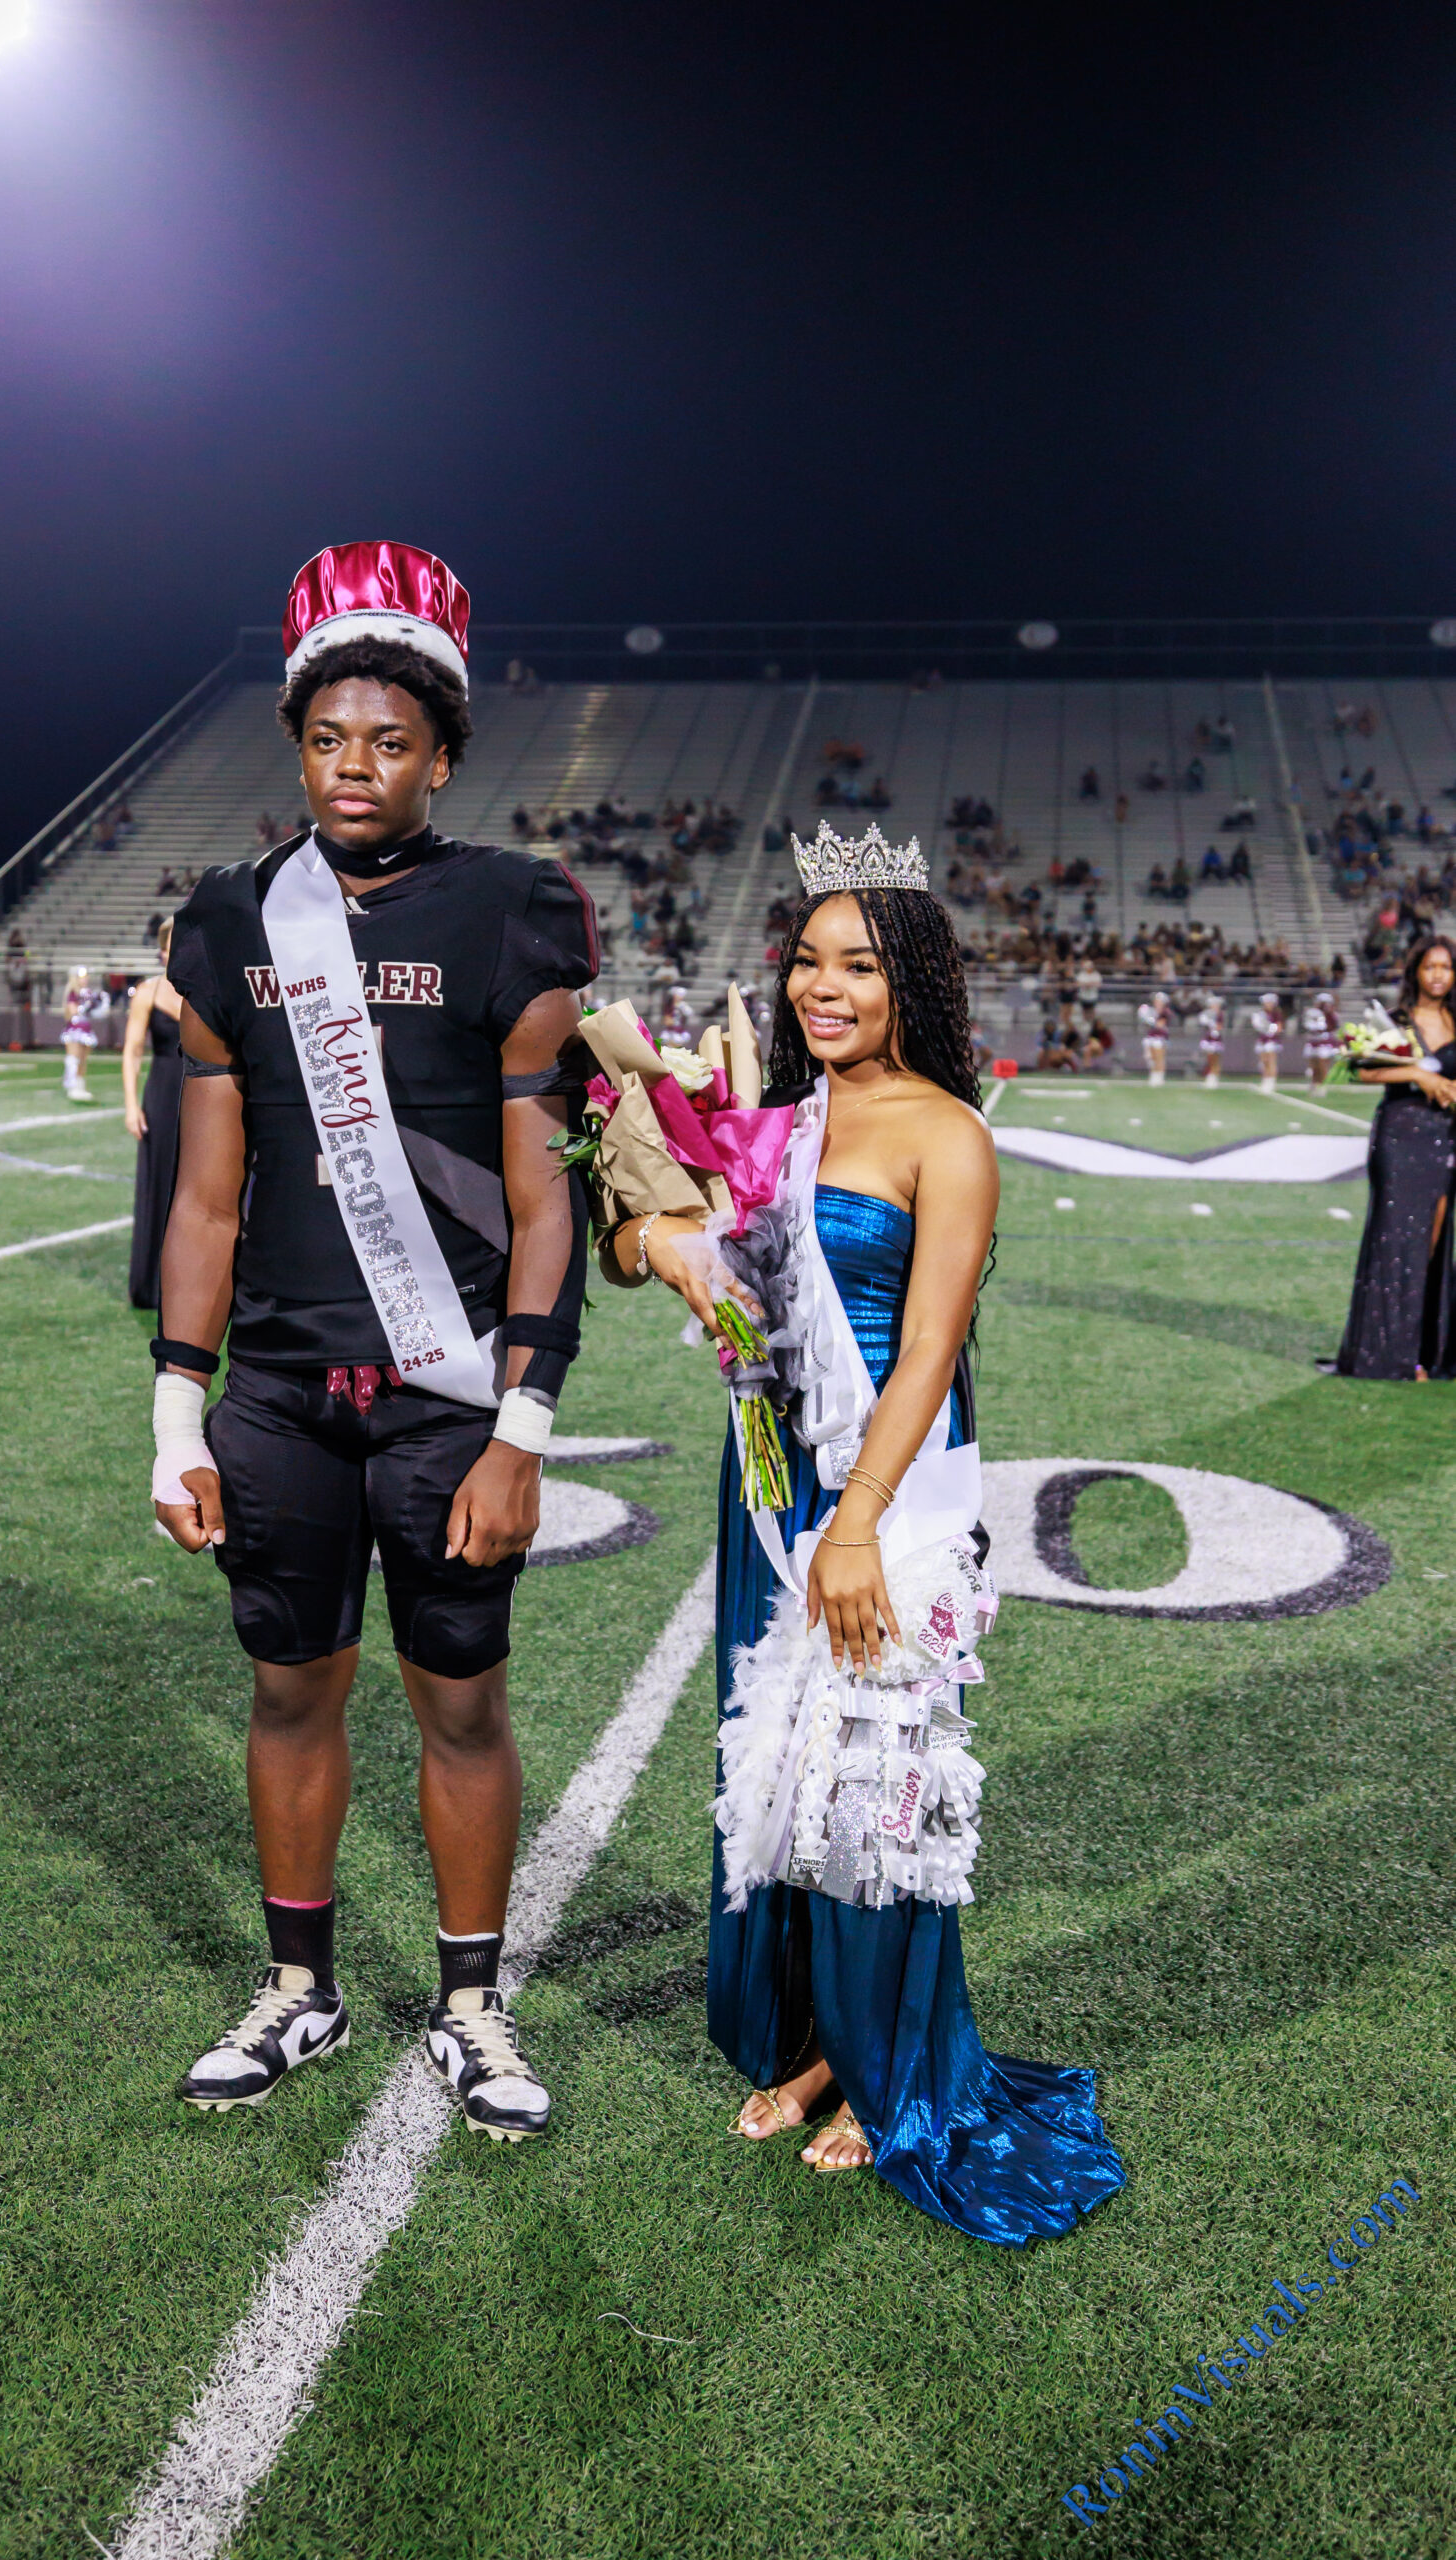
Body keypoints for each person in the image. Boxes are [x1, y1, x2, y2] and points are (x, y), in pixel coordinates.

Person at [608, 822, 1124, 2236]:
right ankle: (810, 2035)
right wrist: (650, 1233)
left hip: (884, 1498)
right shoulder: (776, 1122)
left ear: (910, 985)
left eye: (855, 966)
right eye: (802, 960)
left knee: (872, 1789)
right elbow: (707, 1272)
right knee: (772, 1766)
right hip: (769, 1481)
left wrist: (857, 1526)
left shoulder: (947, 1134)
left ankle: (895, 2070)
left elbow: (926, 1353)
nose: (818, 988)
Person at [152, 541, 596, 2137]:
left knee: (460, 1698)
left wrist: (522, 1424)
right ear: (296, 744)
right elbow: (205, 1202)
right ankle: (300, 1989)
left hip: (445, 1389)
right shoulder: (226, 919)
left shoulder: (512, 909)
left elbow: (546, 1203)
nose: (357, 766)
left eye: (390, 741)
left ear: (444, 754)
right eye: (330, 738)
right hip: (275, 1385)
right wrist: (173, 1415)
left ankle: (471, 2003)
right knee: (288, 1690)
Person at [1336, 938, 1456, 1381]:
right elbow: (1362, 1069)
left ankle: (1424, 1348)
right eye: (1430, 967)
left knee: (1432, 1243)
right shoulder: (1398, 1021)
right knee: (1397, 1241)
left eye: (1446, 967)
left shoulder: (1455, 1019)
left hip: (1446, 1138)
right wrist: (1415, 1074)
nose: (1438, 975)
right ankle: (1390, 1354)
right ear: (1416, 973)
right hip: (1401, 1136)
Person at [121, 922, 185, 1309]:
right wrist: (131, 1105)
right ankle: (152, 1285)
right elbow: (131, 1051)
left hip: (201, 1094)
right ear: (162, 951)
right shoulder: (147, 992)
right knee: (159, 1183)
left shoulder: (207, 988)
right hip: (161, 1093)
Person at [61, 968, 106, 1102]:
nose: (85, 979)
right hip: (75, 1029)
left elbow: (95, 1012)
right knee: (73, 1059)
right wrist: (87, 1005)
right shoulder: (73, 992)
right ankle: (72, 1087)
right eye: (82, 977)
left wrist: (101, 1003)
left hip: (86, 1029)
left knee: (83, 1060)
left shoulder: (88, 993)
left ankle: (80, 1087)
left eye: (86, 977)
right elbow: (73, 1011)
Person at [1302, 989, 1341, 1088]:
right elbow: (1307, 1025)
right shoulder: (1313, 1012)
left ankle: (1322, 1086)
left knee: (1322, 1065)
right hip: (1314, 1040)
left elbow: (1334, 1026)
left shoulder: (1331, 1014)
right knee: (1314, 1066)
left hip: (1325, 1041)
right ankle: (1315, 1084)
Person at [1251, 990, 1284, 1092]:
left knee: (1271, 1060)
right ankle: (1265, 1079)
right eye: (1266, 1002)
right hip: (1262, 1039)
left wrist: (1269, 1027)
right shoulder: (1260, 1014)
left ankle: (1272, 1081)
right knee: (1264, 1061)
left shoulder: (1277, 1013)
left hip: (1272, 1039)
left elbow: (1279, 1028)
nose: (1268, 1004)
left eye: (1270, 1002)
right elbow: (1257, 1026)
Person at [1138, 989, 1173, 1084]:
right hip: (1150, 1036)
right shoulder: (1152, 1011)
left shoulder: (1166, 1012)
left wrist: (1147, 1018)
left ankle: (1160, 1077)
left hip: (1160, 1037)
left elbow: (1159, 1025)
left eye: (1158, 1001)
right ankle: (1153, 1074)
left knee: (1159, 1057)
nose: (1156, 1002)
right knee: (1150, 1058)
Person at [1196, 992, 1226, 1087]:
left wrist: (1212, 1023)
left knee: (1215, 1059)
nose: (1214, 1006)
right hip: (1208, 1038)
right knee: (1209, 1058)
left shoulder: (1220, 1014)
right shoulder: (1207, 1014)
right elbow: (1203, 1022)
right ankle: (1210, 1075)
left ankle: (1214, 1077)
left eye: (1216, 1005)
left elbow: (1219, 1027)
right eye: (1213, 1005)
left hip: (1216, 1039)